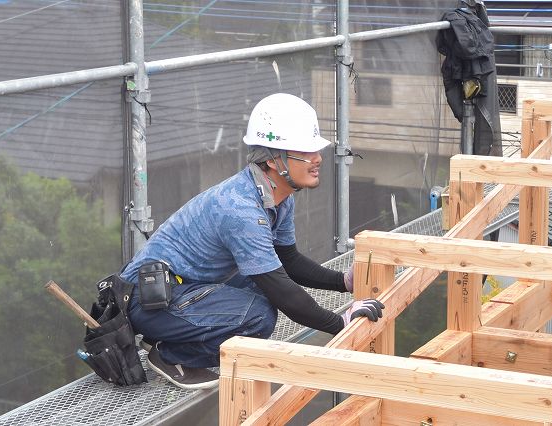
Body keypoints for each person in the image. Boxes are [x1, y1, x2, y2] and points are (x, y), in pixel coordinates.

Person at [120, 93, 385, 390]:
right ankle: (171, 355)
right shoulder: (241, 209)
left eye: (316, 150)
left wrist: (342, 282)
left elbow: (287, 261)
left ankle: (175, 333)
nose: (317, 159)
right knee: (258, 316)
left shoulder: (278, 196)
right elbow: (283, 292)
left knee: (263, 288)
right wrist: (340, 324)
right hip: (149, 301)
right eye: (304, 151)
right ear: (273, 160)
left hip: (179, 289)